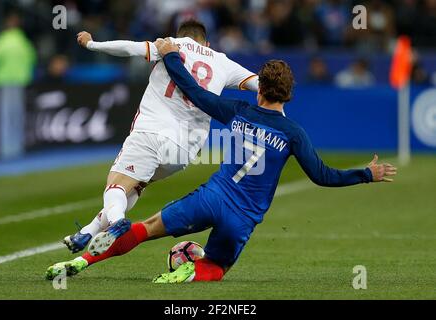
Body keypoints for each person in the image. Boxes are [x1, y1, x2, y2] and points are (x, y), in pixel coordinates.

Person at [46, 39, 397, 283]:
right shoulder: (294, 134)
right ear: (289, 94)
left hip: (211, 197)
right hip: (242, 219)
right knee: (216, 266)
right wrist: (366, 173)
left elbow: (196, 93)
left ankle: (80, 260)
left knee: (146, 229)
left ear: (259, 89)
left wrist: (170, 57)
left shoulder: (238, 112)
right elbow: (323, 176)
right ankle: (190, 271)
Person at [61, 20, 259, 254]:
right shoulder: (222, 61)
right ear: (207, 43)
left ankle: (116, 223)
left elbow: (130, 48)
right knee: (134, 185)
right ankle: (89, 230)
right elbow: (259, 83)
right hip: (185, 152)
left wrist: (93, 44)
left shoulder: (170, 44)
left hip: (153, 132)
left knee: (116, 183)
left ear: (180, 35)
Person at [0, 11, 36, 159]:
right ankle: (17, 148)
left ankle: (7, 151)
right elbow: (32, 59)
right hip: (21, 82)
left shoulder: (4, 40)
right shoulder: (24, 42)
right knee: (17, 116)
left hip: (6, 81)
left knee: (6, 117)